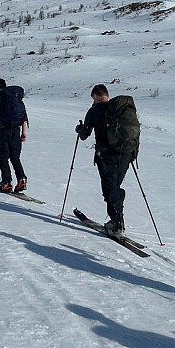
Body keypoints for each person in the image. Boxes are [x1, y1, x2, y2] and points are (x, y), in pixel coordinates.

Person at [75, 84, 135, 236]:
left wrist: (79, 129)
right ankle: (118, 221)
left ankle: (116, 224)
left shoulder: (95, 111)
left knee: (110, 188)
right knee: (115, 186)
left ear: (95, 96)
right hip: (126, 153)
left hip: (107, 155)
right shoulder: (120, 110)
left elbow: (84, 135)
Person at [0, 78, 28, 192]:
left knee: (4, 157)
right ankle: (21, 179)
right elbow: (23, 115)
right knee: (15, 157)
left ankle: (6, 182)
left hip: (1, 129)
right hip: (16, 129)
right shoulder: (13, 97)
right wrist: (23, 132)